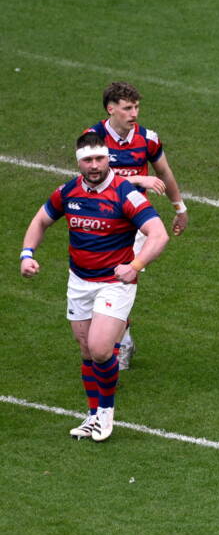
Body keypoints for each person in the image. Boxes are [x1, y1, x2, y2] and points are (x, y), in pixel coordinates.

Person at [20, 131, 170, 441]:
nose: (94, 165)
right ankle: (92, 415)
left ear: (108, 158)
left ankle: (105, 413)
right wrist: (26, 254)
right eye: (88, 160)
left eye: (100, 158)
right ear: (78, 163)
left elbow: (159, 235)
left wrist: (136, 266)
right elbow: (40, 221)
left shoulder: (125, 194)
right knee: (88, 351)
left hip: (114, 283)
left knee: (101, 349)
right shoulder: (69, 192)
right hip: (79, 281)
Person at [84, 82, 189, 370]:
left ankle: (120, 342)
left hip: (135, 224)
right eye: (128, 108)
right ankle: (119, 337)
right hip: (100, 223)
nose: (134, 113)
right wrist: (137, 180)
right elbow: (92, 179)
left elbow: (164, 172)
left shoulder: (148, 138)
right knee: (102, 284)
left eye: (137, 107)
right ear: (111, 109)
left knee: (124, 280)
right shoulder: (92, 139)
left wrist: (179, 208)